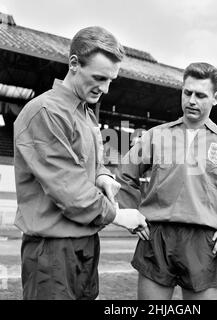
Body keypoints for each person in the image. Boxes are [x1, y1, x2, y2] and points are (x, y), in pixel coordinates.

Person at [13, 26, 149, 300]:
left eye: (111, 79)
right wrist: (120, 216)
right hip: (52, 250)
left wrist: (103, 178)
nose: (106, 88)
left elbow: (90, 164)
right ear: (74, 64)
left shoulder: (86, 114)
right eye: (99, 77)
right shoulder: (45, 112)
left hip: (85, 243)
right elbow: (69, 187)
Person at [116, 62, 217, 300]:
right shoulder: (157, 135)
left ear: (216, 98)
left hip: (204, 243)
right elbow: (125, 174)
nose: (192, 100)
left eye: (200, 95)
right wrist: (131, 214)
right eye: (187, 93)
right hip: (157, 237)